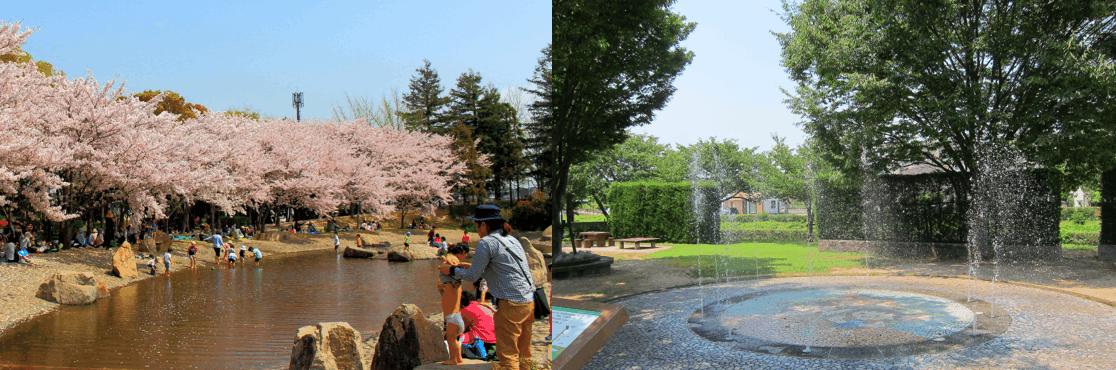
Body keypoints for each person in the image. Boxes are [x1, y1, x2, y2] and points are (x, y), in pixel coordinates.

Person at [439, 205, 536, 370]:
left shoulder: (487, 242)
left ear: (484, 225)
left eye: (477, 225)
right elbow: (501, 269)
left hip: (510, 304)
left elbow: (473, 277)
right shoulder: (512, 240)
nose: (476, 230)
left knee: (508, 354)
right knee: (524, 352)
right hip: (529, 301)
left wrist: (452, 270)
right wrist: (468, 266)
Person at [437, 242, 472, 366]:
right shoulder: (455, 285)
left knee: (451, 340)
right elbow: (455, 267)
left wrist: (446, 264)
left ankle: (453, 359)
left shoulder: (454, 283)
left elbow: (453, 267)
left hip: (453, 317)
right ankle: (459, 358)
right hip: (455, 316)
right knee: (454, 340)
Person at [460, 290, 497, 361]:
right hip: (495, 339)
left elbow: (461, 329)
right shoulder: (483, 307)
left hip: (484, 342)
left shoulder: (467, 310)